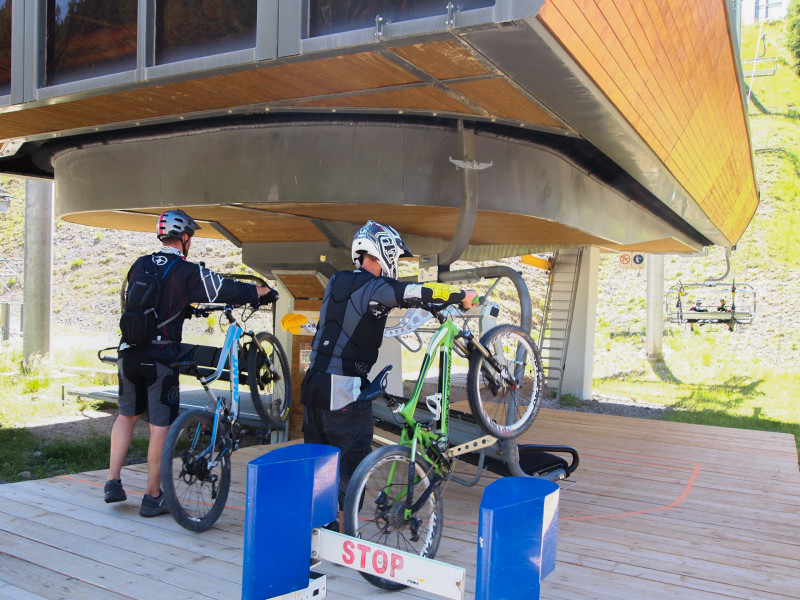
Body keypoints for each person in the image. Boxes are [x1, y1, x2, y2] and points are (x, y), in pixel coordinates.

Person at [104, 209, 277, 516]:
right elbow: (226, 288)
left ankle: (112, 482)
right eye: (191, 237)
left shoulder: (139, 264)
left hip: (128, 352)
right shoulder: (187, 271)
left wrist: (185, 309)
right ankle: (152, 496)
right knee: (160, 427)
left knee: (126, 416)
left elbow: (146, 304)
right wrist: (260, 292)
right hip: (160, 359)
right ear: (184, 238)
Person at [301, 220, 478, 511]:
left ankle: (314, 539)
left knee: (317, 473)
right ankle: (344, 546)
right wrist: (461, 296)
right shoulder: (376, 287)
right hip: (342, 388)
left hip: (313, 384)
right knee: (350, 478)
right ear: (383, 254)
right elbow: (416, 292)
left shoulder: (336, 280)